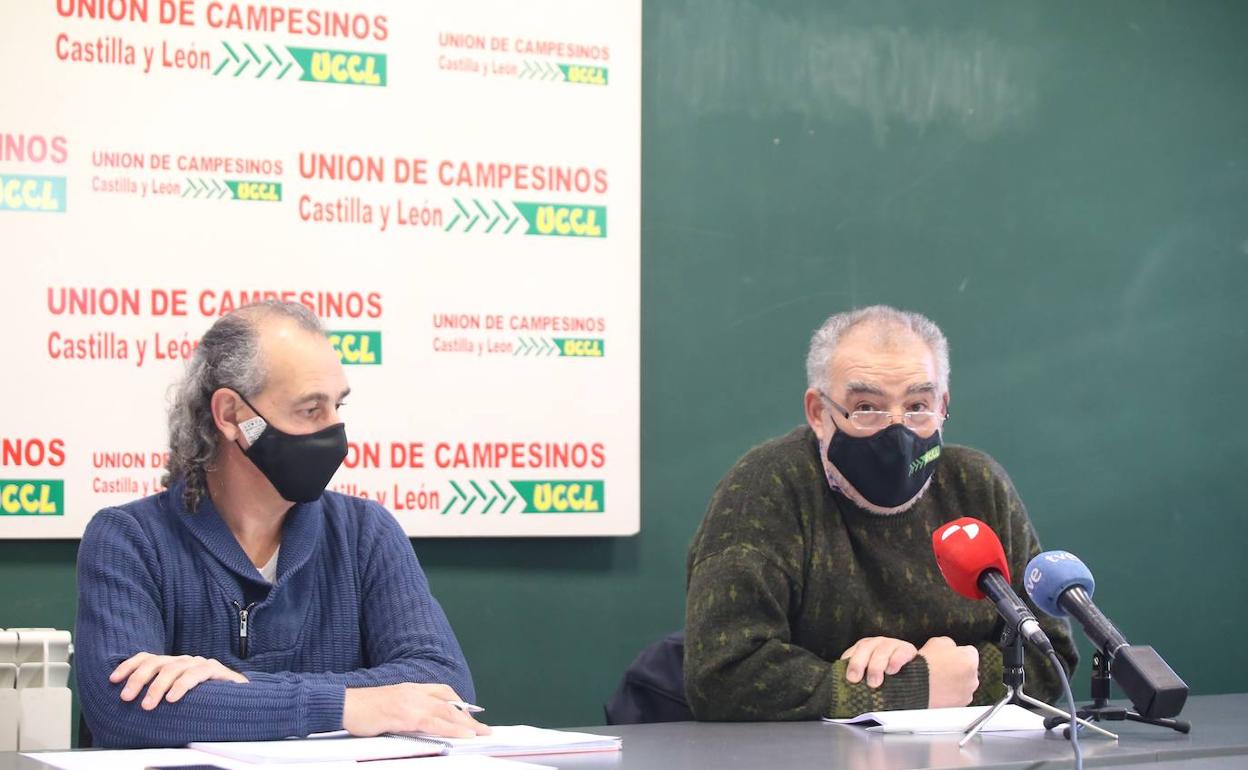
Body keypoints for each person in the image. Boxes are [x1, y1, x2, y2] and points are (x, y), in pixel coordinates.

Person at [76, 301, 489, 747]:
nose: (337, 432)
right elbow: (122, 709)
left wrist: (238, 687)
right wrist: (349, 706)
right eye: (311, 410)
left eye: (338, 405)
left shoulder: (365, 533)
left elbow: (444, 686)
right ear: (233, 415)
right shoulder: (129, 539)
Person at [683, 305, 1078, 720]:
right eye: (867, 407)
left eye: (917, 406)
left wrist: (959, 672)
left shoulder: (978, 485)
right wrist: (914, 683)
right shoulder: (766, 488)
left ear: (942, 405)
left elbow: (1050, 659)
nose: (897, 429)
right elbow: (722, 676)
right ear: (819, 412)